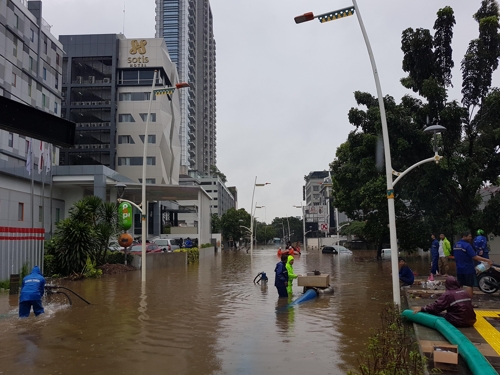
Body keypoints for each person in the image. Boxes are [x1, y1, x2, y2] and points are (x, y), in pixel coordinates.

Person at [454, 231, 492, 298]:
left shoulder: (456, 245)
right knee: (469, 285)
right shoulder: (467, 245)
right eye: (469, 236)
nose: (470, 238)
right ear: (464, 236)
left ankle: (460, 301)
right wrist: (487, 260)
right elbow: (474, 256)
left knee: (460, 285)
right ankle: (469, 303)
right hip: (468, 269)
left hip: (459, 269)